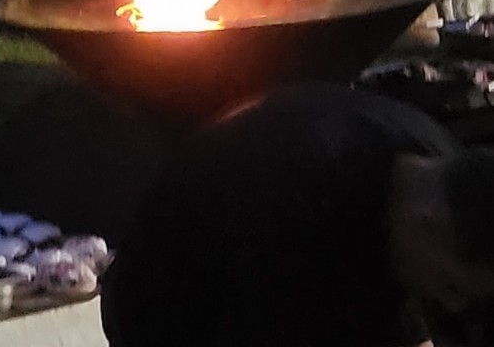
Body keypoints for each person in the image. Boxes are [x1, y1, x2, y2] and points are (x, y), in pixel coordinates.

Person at [101, 82, 494, 347]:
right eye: (450, 287)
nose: (455, 305)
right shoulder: (291, 207)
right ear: (428, 225)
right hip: (170, 305)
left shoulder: (438, 165)